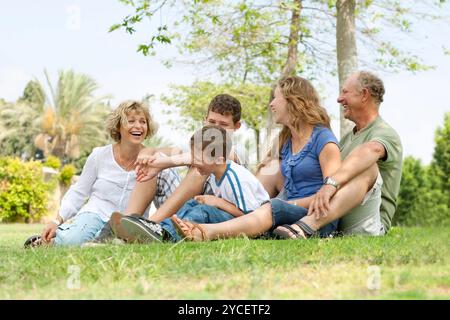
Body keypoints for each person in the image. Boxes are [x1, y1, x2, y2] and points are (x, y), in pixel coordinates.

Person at [172, 71, 402, 241]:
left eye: (276, 98)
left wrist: (280, 204)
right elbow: (258, 185)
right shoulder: (288, 141)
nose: (271, 104)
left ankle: (207, 232)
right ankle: (167, 228)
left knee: (275, 207)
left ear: (293, 101)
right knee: (268, 177)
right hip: (290, 214)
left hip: (320, 218)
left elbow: (329, 195)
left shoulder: (327, 139)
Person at [23, 100, 180, 247]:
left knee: (108, 242)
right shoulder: (99, 155)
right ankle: (50, 242)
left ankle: (95, 239)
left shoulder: (152, 160)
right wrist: (57, 220)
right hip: (96, 213)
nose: (138, 126)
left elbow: (177, 153)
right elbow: (79, 191)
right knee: (72, 240)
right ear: (118, 126)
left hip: (125, 222)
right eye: (131, 121)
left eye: (142, 122)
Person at [111, 94, 246, 231]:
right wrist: (148, 153)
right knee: (154, 159)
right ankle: (126, 223)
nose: (215, 130)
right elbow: (169, 153)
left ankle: (151, 224)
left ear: (237, 126)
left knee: (198, 169)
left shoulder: (234, 151)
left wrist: (163, 163)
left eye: (223, 125)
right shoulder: (199, 145)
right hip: (188, 204)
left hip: (214, 211)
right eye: (211, 122)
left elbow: (202, 158)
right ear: (205, 120)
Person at [115, 125, 270, 242]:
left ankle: (168, 235)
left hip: (246, 224)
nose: (193, 163)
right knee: (191, 204)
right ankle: (160, 229)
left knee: (202, 211)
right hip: (229, 215)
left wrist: (217, 202)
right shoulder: (216, 172)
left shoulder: (236, 178)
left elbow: (251, 215)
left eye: (198, 159)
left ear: (219, 160)